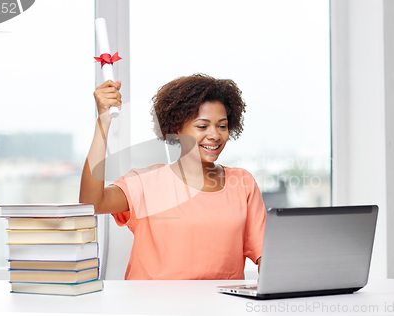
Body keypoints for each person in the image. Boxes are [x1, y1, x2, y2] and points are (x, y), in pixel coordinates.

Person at [80, 74, 266, 280]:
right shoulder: (147, 183)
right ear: (176, 129)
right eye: (202, 126)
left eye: (222, 126)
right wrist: (103, 122)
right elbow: (92, 203)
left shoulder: (243, 183)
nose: (214, 135)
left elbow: (266, 256)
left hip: (221, 306)